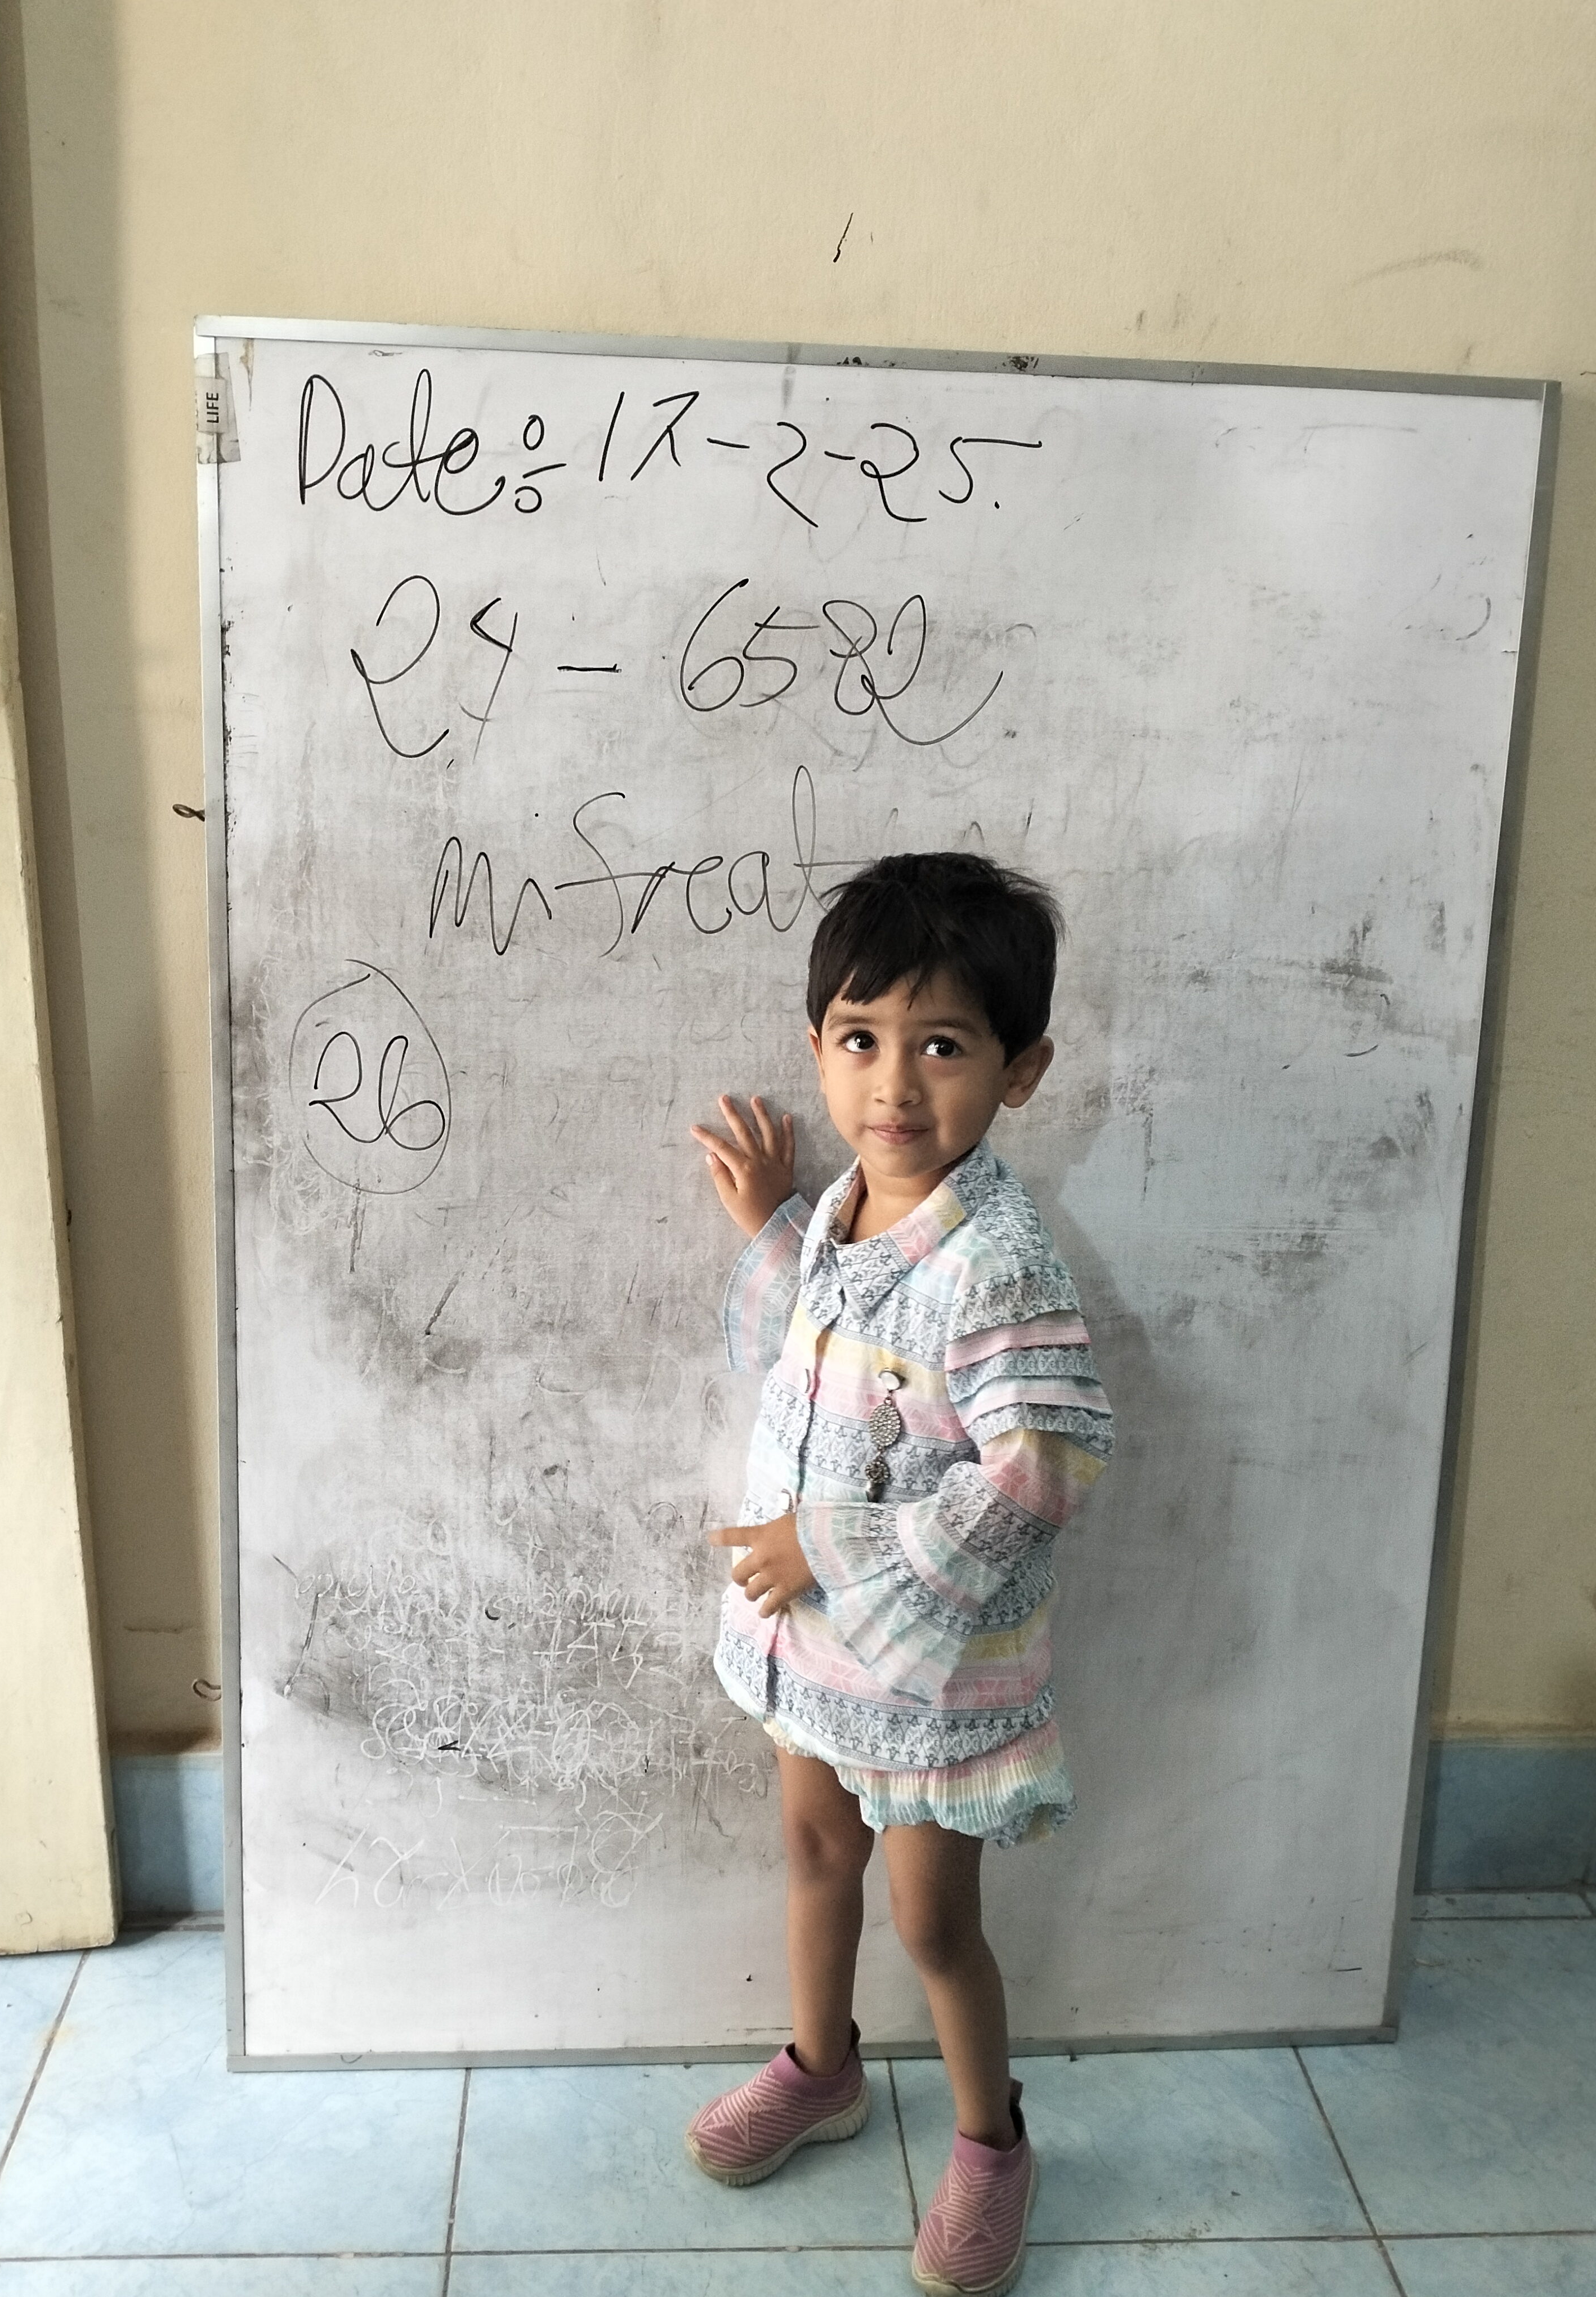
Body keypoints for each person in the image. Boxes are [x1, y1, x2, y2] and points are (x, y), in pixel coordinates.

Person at [684, 851, 1113, 2297]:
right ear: (818, 1047)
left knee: (934, 1920)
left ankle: (993, 2142)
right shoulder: (850, 1210)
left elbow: (1044, 1467)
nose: (893, 1086)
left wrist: (834, 1544)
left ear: (1019, 1069)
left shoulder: (998, 1262)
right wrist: (772, 1221)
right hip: (815, 1647)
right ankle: (823, 2068)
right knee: (815, 1854)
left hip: (933, 1675)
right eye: (861, 1040)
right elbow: (823, 1338)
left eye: (942, 1047)